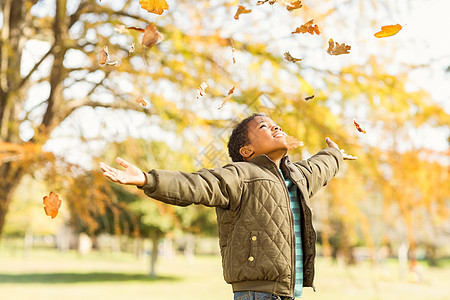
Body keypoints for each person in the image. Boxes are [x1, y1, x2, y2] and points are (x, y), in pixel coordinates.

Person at [99, 113, 357, 300]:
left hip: (289, 293)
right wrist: (148, 179)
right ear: (247, 150)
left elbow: (319, 167)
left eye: (276, 124)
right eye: (265, 127)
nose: (276, 127)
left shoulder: (297, 177)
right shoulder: (240, 174)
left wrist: (334, 155)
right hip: (258, 294)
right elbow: (196, 184)